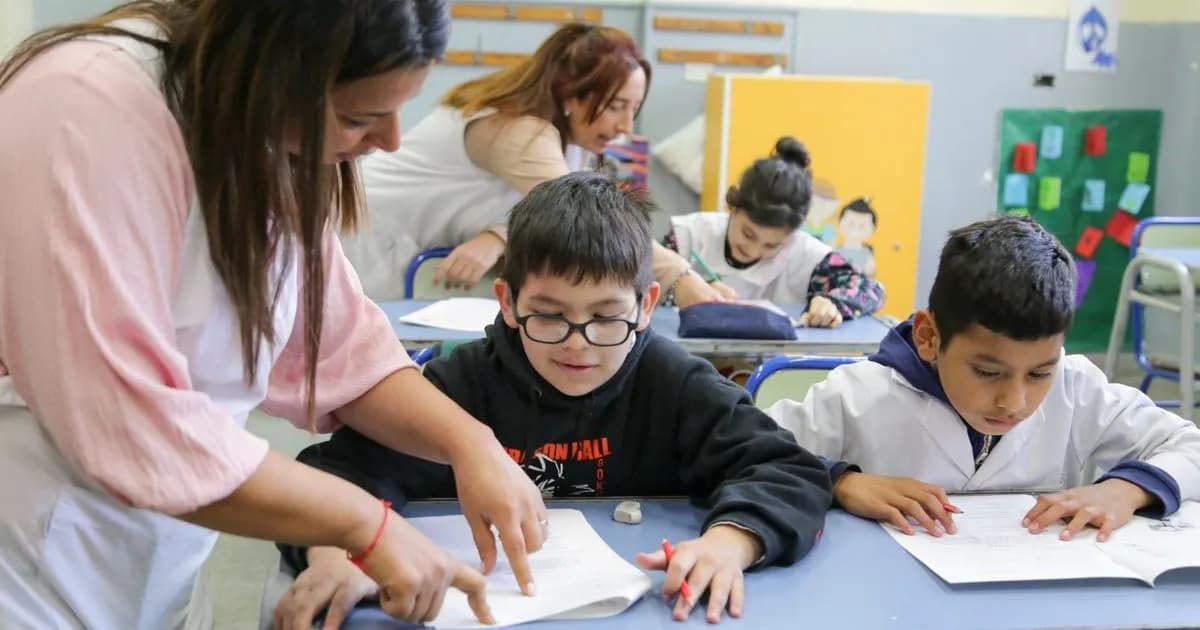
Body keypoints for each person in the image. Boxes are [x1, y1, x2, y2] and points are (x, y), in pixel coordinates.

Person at [0, 2, 549, 627]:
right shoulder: (85, 111)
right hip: (26, 564)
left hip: (152, 558)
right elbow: (124, 418)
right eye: (358, 117)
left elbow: (340, 352)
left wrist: (468, 442)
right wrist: (362, 523)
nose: (391, 140)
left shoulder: (259, 135)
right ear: (272, 69)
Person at [273, 172, 833, 629]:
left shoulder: (673, 382)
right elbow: (333, 477)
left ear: (646, 305)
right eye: (549, 314)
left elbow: (787, 468)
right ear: (509, 302)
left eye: (605, 317)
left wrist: (730, 544)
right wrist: (337, 555)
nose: (577, 342)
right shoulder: (461, 387)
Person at [768, 217, 1200, 541]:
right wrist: (842, 480)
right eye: (988, 372)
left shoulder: (1077, 389)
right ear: (928, 337)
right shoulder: (857, 396)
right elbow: (748, 452)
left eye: (1039, 373)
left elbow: (1190, 446)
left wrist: (1127, 489)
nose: (1014, 401)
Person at [341, 23, 727, 306]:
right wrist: (682, 279)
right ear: (570, 95)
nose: (625, 126)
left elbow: (548, 209)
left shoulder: (572, 142)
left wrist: (497, 235)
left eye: (634, 109)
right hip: (362, 237)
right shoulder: (518, 131)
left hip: (407, 255)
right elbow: (586, 220)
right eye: (615, 107)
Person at [662, 137, 884, 328]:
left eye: (772, 245)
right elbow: (640, 287)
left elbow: (870, 290)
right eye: (748, 234)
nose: (754, 250)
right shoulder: (689, 235)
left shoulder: (809, 256)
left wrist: (832, 302)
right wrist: (683, 288)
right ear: (735, 206)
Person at [835, 197, 878, 277]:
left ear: (872, 229)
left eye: (862, 226)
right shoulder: (835, 250)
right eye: (851, 223)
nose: (855, 229)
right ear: (840, 222)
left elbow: (870, 275)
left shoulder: (866, 254)